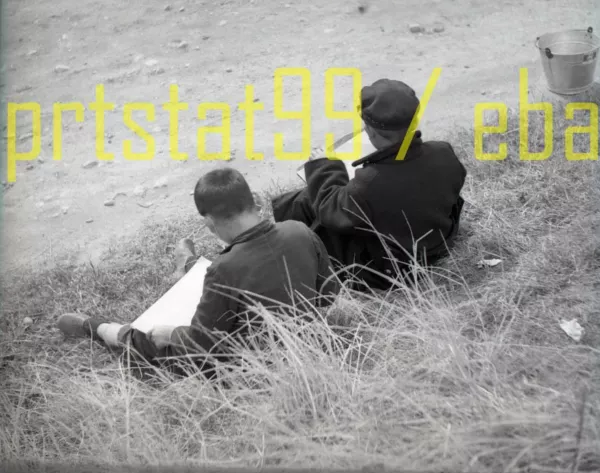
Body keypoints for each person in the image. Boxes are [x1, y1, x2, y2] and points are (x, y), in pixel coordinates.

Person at [57, 168, 340, 379]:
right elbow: (329, 294)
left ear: (208, 223)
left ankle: (96, 327)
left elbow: (202, 344)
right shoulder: (299, 229)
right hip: (306, 345)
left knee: (148, 336)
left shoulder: (224, 268)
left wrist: (173, 333)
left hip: (249, 366)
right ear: (254, 200)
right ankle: (189, 262)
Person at [272, 78, 467, 291]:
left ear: (371, 131)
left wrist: (322, 165)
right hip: (437, 243)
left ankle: (291, 256)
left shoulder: (370, 183)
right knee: (313, 199)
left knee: (309, 201)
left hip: (395, 270)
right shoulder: (443, 151)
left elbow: (329, 208)